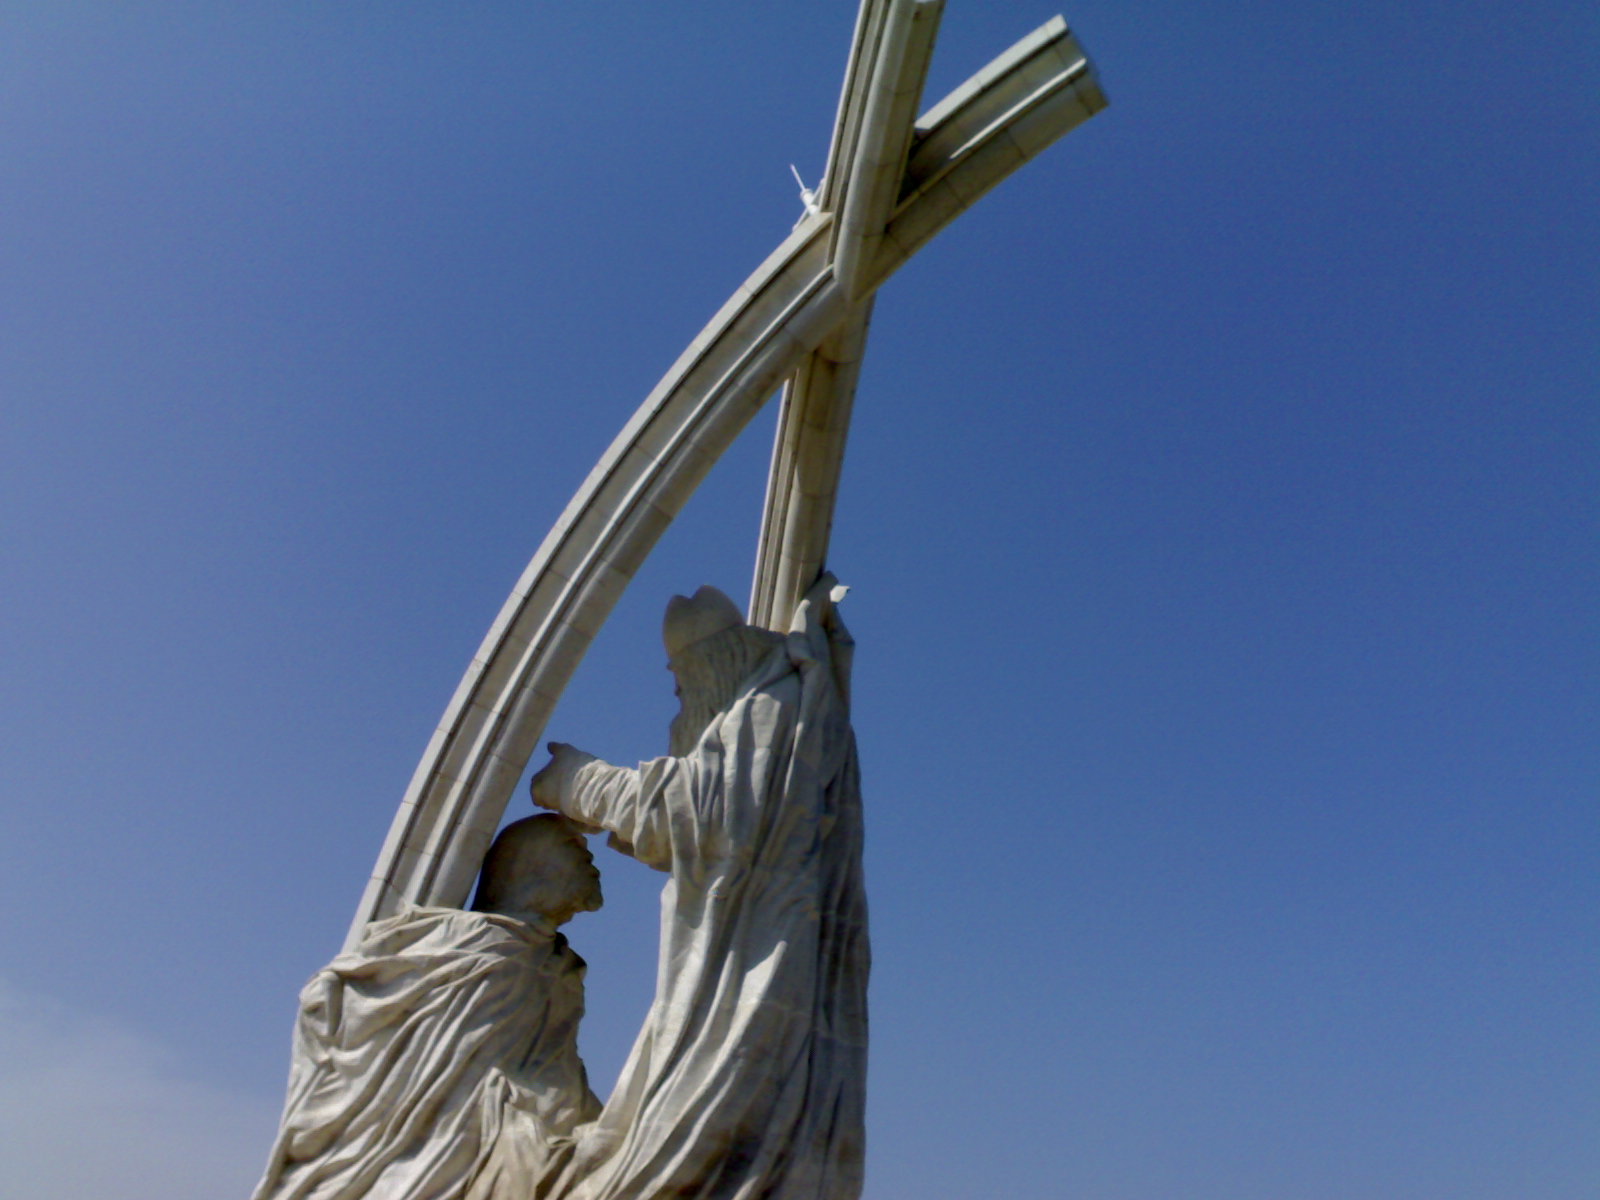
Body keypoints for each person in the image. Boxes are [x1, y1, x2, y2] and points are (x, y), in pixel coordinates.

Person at [530, 576, 868, 1200]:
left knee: (674, 1155)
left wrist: (578, 781)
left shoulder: (769, 710)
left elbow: (692, 814)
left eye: (681, 685)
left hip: (753, 976)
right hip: (760, 961)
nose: (679, 704)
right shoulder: (788, 708)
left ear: (712, 666)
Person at [251, 814, 603, 1200]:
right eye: (573, 849)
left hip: (536, 1127)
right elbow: (349, 1000)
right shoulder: (470, 946)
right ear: (530, 869)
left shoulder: (557, 968)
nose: (590, 862)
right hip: (450, 1148)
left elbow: (554, 1070)